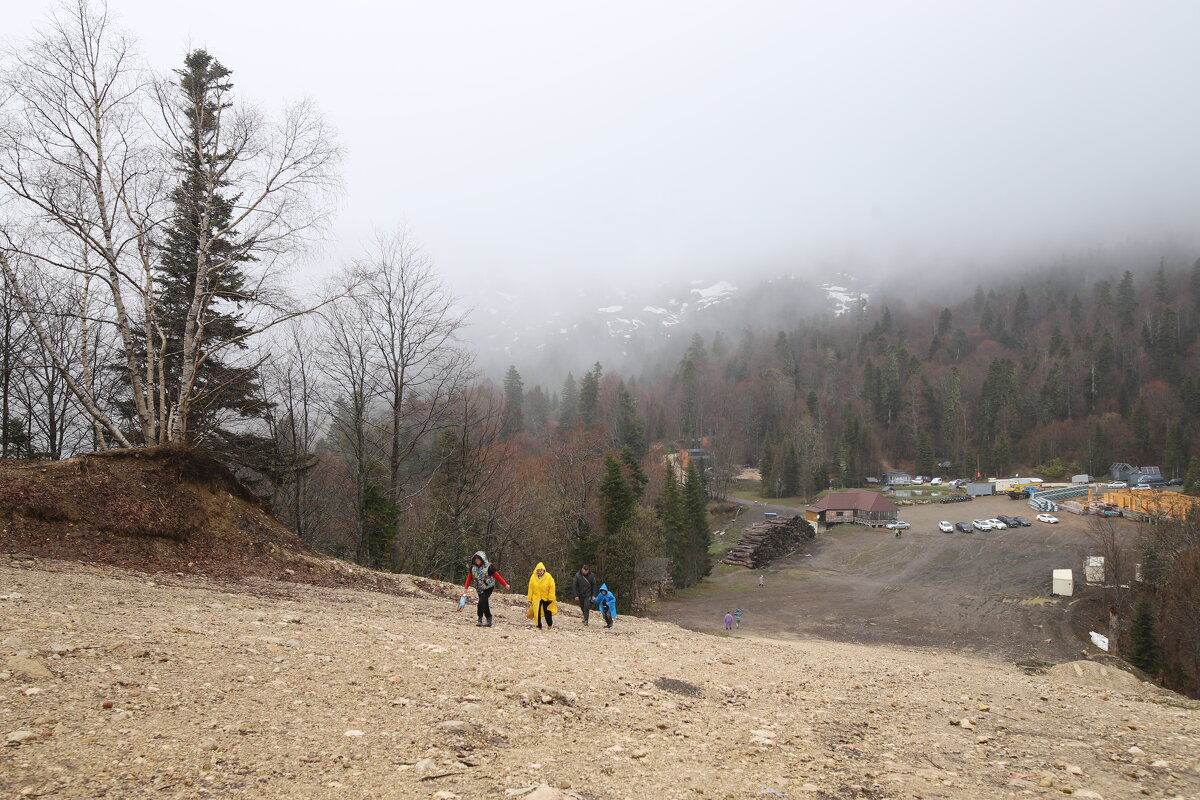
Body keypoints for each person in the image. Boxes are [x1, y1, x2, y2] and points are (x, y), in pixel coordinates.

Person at [463, 551, 509, 627]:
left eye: (478, 559)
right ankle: (489, 619)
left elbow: (497, 576)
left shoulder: (489, 567)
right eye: (475, 559)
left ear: (482, 559)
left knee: (481, 602)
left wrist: (505, 584)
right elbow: (469, 577)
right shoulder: (473, 568)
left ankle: (479, 619)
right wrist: (466, 587)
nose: (476, 560)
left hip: (488, 587)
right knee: (484, 603)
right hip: (479, 588)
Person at [526, 562, 558, 630]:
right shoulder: (533, 577)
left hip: (546, 597)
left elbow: (552, 587)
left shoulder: (548, 576)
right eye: (538, 571)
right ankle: (538, 626)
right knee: (537, 612)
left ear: (544, 570)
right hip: (536, 597)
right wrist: (529, 598)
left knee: (547, 611)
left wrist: (551, 597)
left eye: (541, 571)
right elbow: (530, 588)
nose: (539, 572)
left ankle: (549, 625)